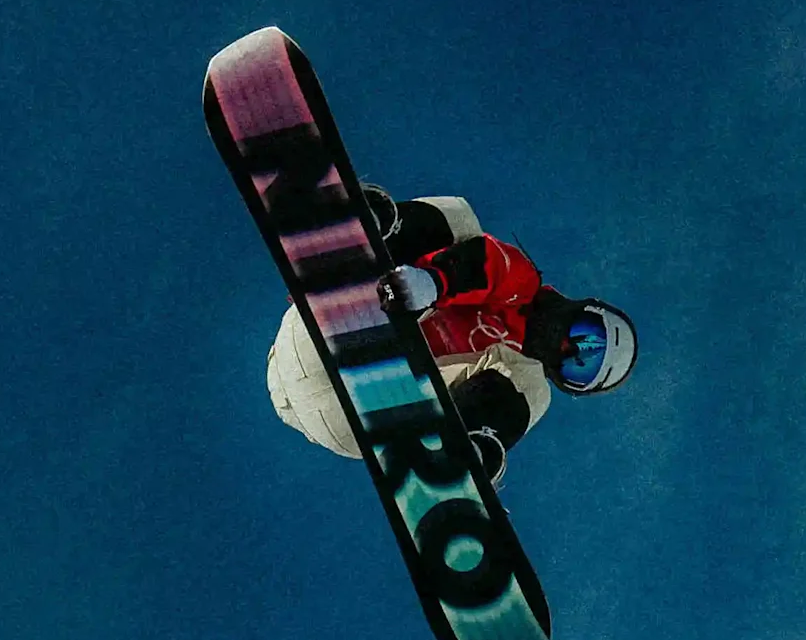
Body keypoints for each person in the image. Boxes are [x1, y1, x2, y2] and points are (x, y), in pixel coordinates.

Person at [264, 186, 636, 481]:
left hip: (359, 414)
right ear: (582, 306)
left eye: (580, 368)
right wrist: (433, 283)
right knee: (462, 218)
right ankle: (367, 241)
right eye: (589, 337)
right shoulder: (520, 286)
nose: (568, 348)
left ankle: (459, 453)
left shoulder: (517, 379)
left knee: (532, 388)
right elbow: (492, 266)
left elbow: (524, 385)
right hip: (326, 335)